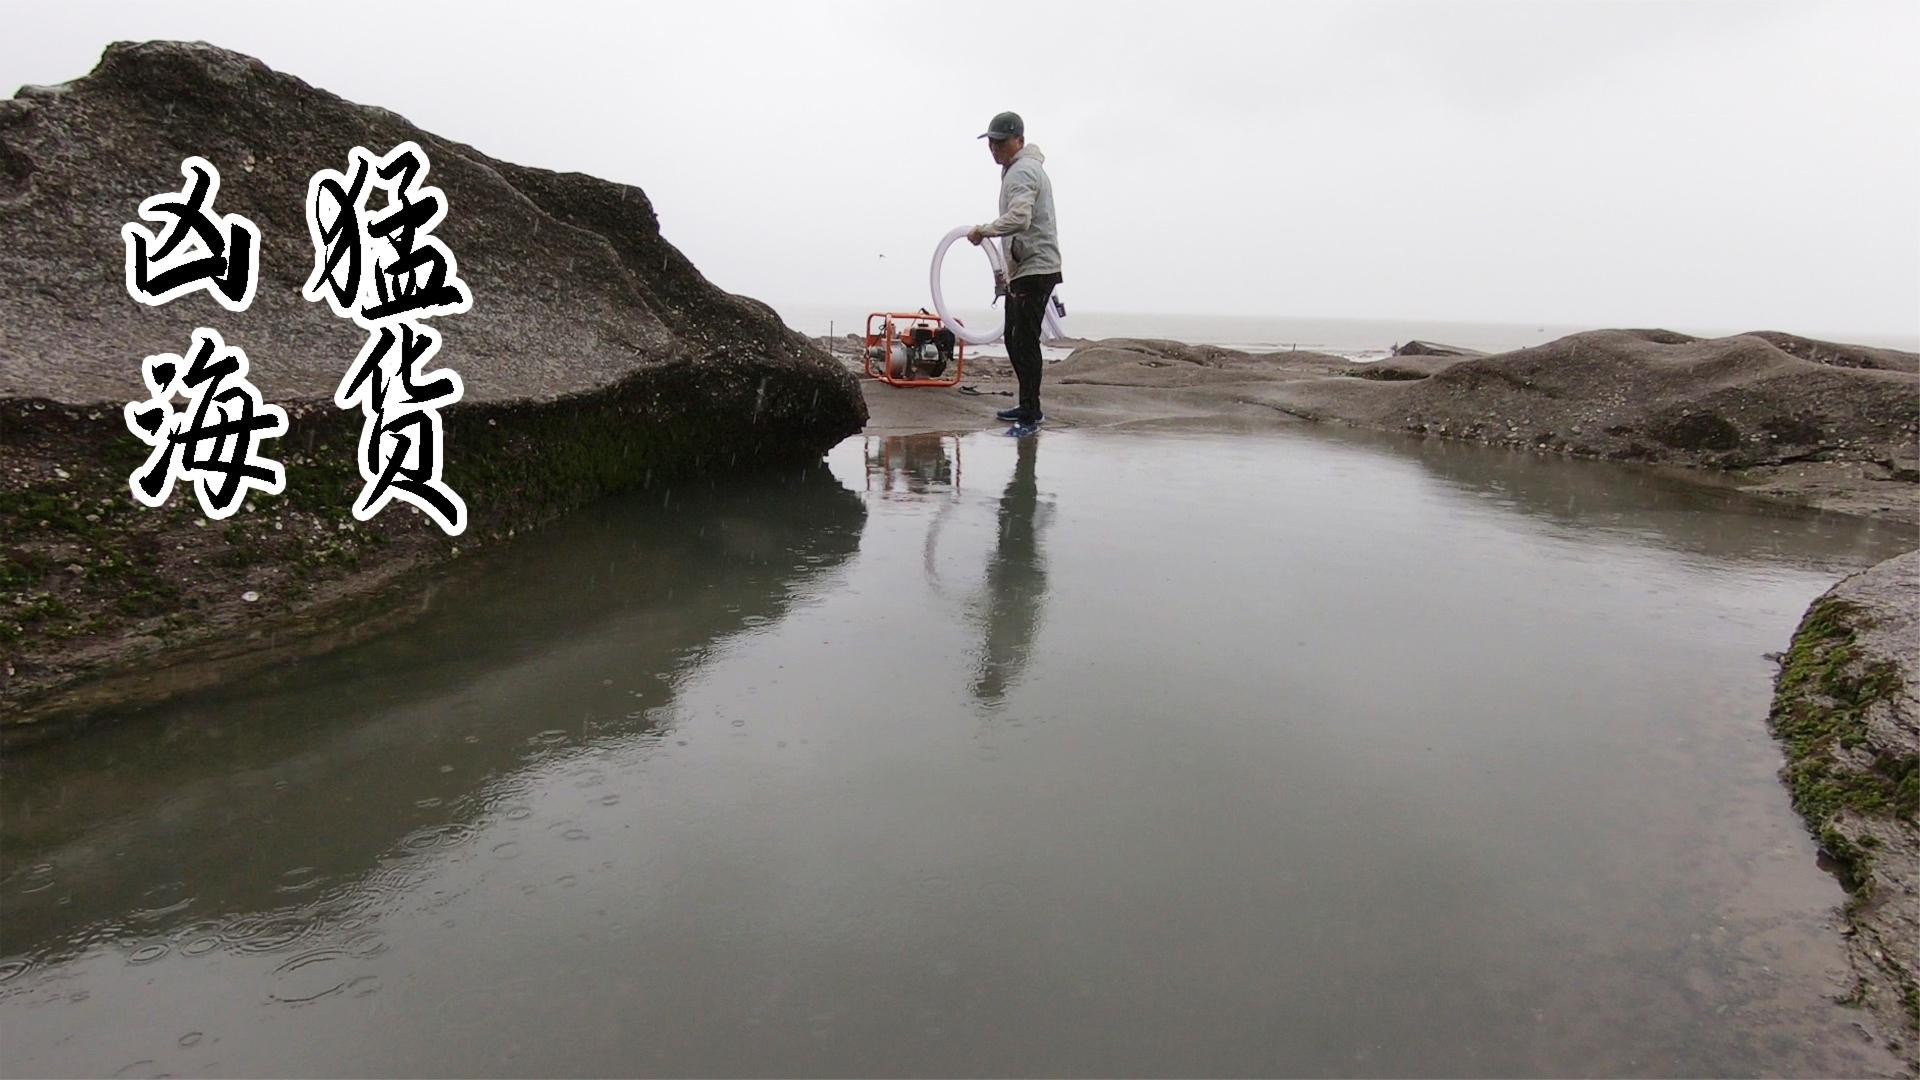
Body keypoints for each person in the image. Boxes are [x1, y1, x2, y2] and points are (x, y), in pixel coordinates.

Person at [967, 111, 1061, 432]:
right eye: (991, 143)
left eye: (1000, 142)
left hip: (1035, 268)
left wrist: (984, 230)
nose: (994, 149)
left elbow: (1020, 218)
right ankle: (1025, 405)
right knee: (1013, 337)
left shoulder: (1022, 172)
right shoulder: (1015, 170)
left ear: (1018, 140)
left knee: (1024, 340)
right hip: (1023, 269)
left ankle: (1031, 413)